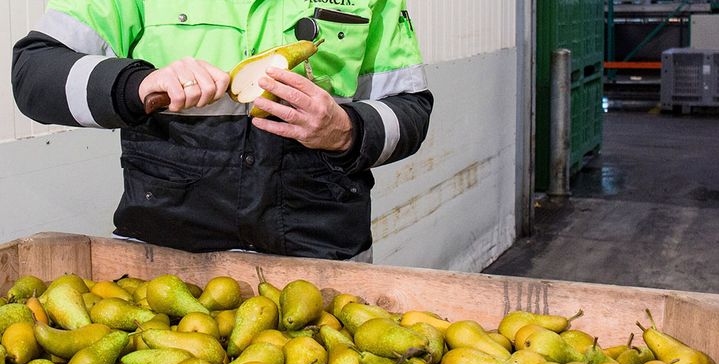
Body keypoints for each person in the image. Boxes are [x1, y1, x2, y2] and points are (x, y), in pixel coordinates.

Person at [12, 1, 433, 261]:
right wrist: (135, 86)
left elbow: (411, 108)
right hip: (167, 264)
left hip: (324, 259)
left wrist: (346, 130)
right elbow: (33, 73)